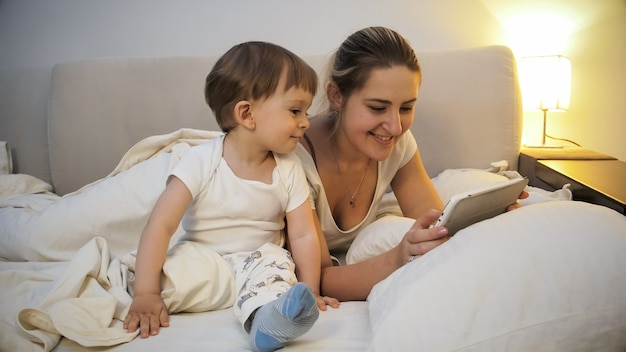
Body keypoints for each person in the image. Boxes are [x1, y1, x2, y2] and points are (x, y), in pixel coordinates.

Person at [123, 41, 338, 352]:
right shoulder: (201, 160)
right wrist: (145, 292)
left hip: (258, 260)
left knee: (278, 268)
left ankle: (271, 322)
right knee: (164, 277)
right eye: (295, 110)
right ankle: (142, 292)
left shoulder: (289, 168)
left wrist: (310, 288)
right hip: (204, 257)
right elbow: (160, 225)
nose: (305, 121)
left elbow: (304, 234)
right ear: (247, 114)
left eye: (305, 111)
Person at [294, 26, 527, 301]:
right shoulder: (295, 159)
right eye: (378, 108)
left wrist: (487, 217)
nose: (394, 126)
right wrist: (400, 257)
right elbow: (318, 280)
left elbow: (436, 225)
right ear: (336, 96)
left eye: (406, 108)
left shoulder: (397, 143)